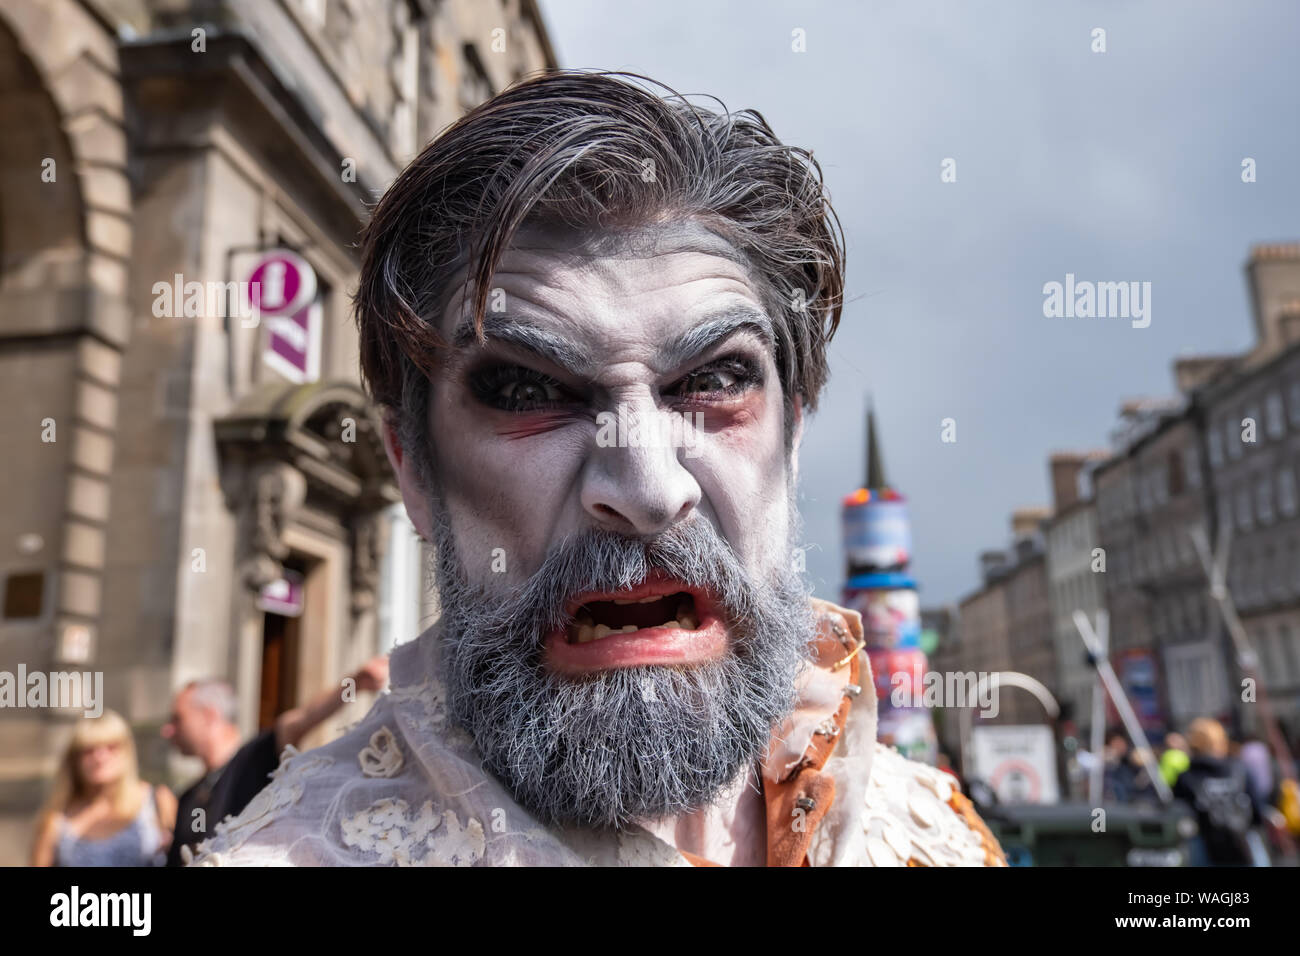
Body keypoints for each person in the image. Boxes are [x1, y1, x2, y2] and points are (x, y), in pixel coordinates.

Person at [189, 71, 1006, 868]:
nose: (648, 491)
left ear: (791, 438)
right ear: (412, 468)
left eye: (717, 380)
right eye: (524, 389)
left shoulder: (938, 834)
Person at [163, 656, 388, 865]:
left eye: (178, 718)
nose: (168, 730)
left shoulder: (256, 757)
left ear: (208, 715)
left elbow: (304, 717)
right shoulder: (189, 798)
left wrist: (355, 682)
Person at [31, 710, 177, 867]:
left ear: (127, 752)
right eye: (89, 750)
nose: (100, 757)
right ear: (74, 759)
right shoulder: (57, 820)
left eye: (111, 747)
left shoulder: (157, 802)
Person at [1173, 717, 1268, 866]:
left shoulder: (1186, 777)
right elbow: (1256, 806)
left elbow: (1180, 813)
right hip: (1242, 838)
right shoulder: (1239, 768)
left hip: (1206, 842)